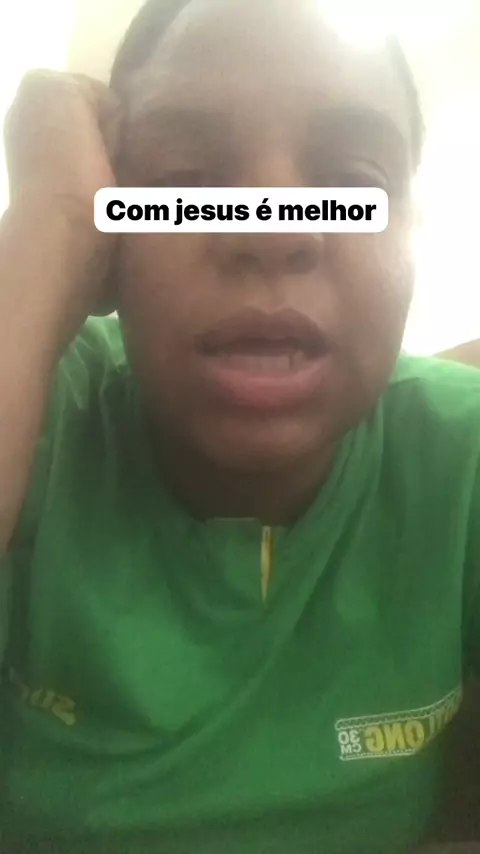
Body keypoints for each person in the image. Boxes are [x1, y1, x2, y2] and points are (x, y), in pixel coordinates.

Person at [1, 0, 479, 851]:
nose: (271, 228)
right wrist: (46, 223)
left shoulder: (463, 459)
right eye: (182, 187)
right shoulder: (38, 408)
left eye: (354, 188)